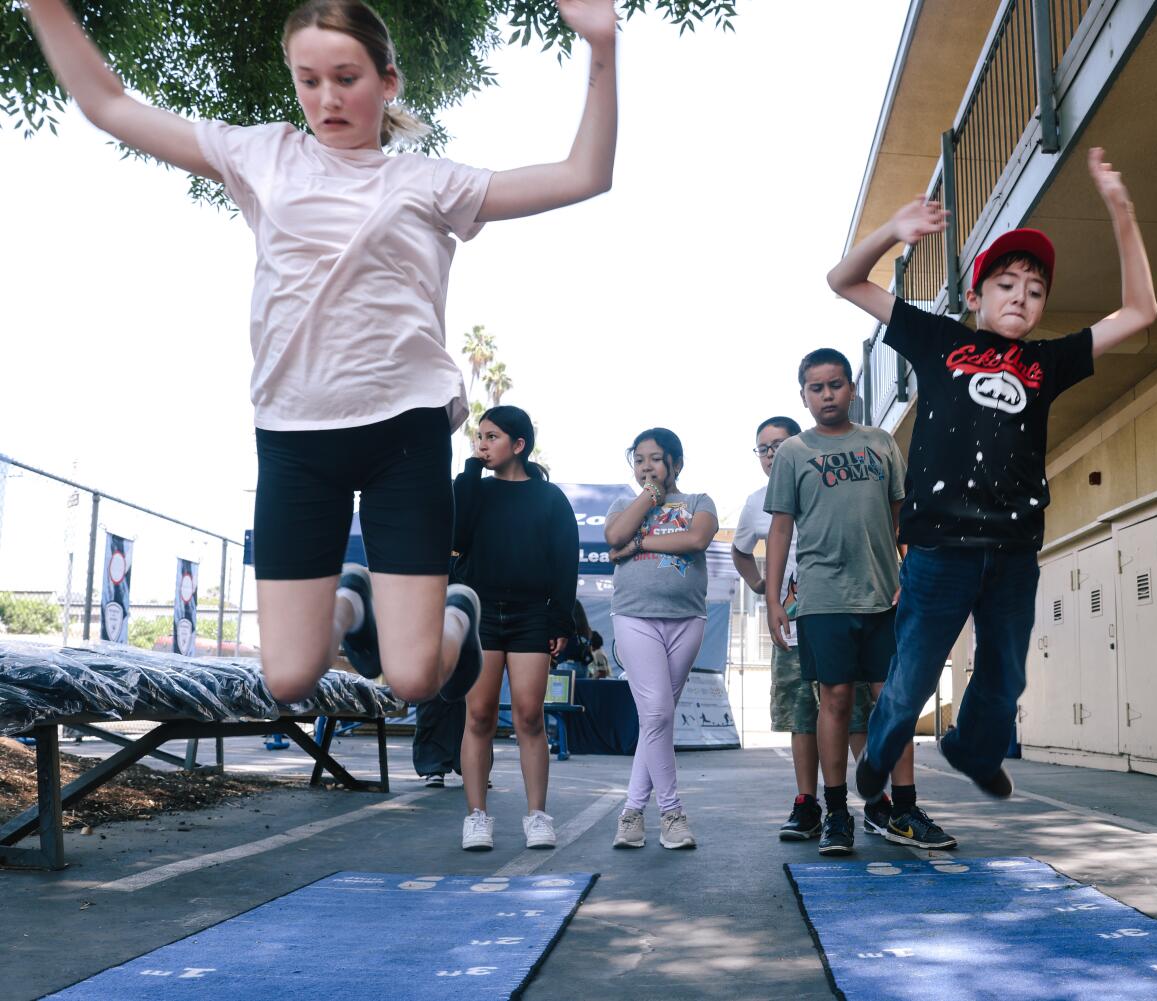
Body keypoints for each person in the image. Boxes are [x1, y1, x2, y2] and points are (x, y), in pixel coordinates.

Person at [20, 0, 619, 707]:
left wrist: (602, 50)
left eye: (346, 77)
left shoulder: (427, 181)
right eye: (309, 80)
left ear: (387, 81)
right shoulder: (260, 153)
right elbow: (109, 105)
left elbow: (584, 174)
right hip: (295, 434)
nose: (327, 98)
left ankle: (458, 609)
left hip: (404, 429)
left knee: (414, 678)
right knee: (289, 677)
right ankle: (351, 600)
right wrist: (43, 7)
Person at [828, 148, 1157, 803]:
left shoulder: (1047, 362)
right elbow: (844, 280)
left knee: (1005, 674)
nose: (1022, 299)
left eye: (1035, 291)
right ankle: (884, 745)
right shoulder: (939, 340)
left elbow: (1140, 311)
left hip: (1012, 548)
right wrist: (892, 232)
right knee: (917, 668)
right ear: (975, 295)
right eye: (1007, 285)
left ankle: (973, 748)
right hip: (940, 546)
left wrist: (1122, 211)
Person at [765, 350, 953, 856]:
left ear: (851, 388)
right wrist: (773, 598)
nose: (827, 396)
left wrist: (913, 575)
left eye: (835, 385)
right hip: (823, 599)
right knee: (835, 703)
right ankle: (835, 814)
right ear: (803, 395)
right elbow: (781, 527)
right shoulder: (792, 454)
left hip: (884, 595)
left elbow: (902, 519)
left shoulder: (880, 443)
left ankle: (905, 810)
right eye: (816, 388)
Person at [731, 416, 884, 842]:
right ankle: (808, 804)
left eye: (780, 444)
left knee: (854, 712)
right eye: (764, 448)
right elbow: (741, 552)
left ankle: (876, 801)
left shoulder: (828, 480)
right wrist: (765, 589)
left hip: (842, 612)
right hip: (794, 624)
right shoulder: (755, 502)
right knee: (803, 714)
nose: (772, 454)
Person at [452, 406, 579, 852]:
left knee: (529, 716)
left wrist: (561, 619)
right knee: (479, 715)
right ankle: (476, 817)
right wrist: (468, 474)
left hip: (530, 615)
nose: (481, 445)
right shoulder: (474, 489)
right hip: (480, 614)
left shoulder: (549, 498)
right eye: (478, 438)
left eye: (491, 437)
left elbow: (566, 563)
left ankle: (537, 816)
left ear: (518, 445)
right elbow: (456, 537)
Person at [604, 428, 718, 850]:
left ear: (676, 464)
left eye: (655, 459)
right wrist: (647, 500)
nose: (646, 467)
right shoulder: (624, 504)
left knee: (660, 717)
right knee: (655, 714)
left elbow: (697, 538)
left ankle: (631, 815)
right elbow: (614, 537)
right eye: (639, 460)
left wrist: (638, 544)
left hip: (687, 618)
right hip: (634, 617)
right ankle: (671, 813)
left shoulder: (697, 503)